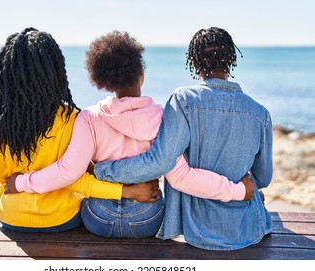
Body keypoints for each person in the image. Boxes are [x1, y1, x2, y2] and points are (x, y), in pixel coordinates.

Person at [5, 30, 255, 238]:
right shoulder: (162, 117)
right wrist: (236, 191)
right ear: (141, 76)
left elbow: (67, 171)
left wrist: (21, 182)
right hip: (147, 218)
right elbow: (180, 176)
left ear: (105, 81)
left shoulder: (89, 117)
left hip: (98, 218)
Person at [92, 27, 273, 250]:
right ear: (231, 59)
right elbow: (263, 179)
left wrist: (103, 170)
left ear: (194, 62)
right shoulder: (260, 112)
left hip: (197, 228)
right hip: (248, 227)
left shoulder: (184, 101)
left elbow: (160, 162)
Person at [0, 27, 160, 233]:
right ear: (55, 72)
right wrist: (127, 190)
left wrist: (21, 178)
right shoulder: (69, 118)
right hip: (60, 219)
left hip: (10, 216)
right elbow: (75, 180)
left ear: (7, 75)